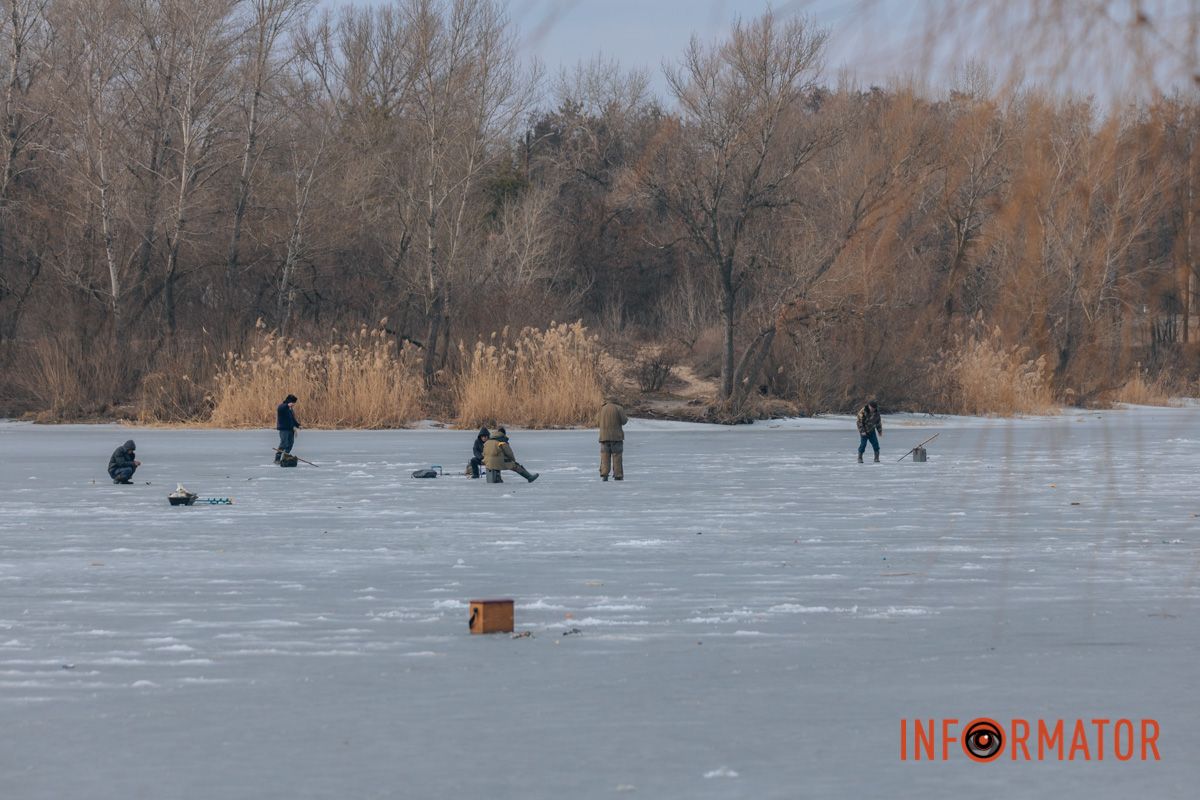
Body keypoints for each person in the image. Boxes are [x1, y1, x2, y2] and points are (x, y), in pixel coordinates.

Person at [596, 398, 628, 481]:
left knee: (605, 457)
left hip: (604, 437)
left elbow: (597, 420)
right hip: (616, 437)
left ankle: (604, 474)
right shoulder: (619, 408)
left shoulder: (602, 408)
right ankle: (618, 475)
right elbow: (624, 421)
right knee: (617, 456)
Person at [275, 394, 301, 464]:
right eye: (293, 403)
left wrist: (297, 425)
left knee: (290, 443)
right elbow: (280, 408)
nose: (294, 404)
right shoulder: (282, 407)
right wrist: (287, 405)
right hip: (284, 429)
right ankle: (277, 459)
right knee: (283, 443)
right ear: (290, 402)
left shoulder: (290, 409)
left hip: (291, 429)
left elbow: (292, 419)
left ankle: (285, 457)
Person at [856, 399, 882, 463]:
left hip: (872, 430)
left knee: (875, 444)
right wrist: (862, 431)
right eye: (872, 408)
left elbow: (878, 422)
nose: (873, 409)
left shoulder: (877, 412)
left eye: (874, 408)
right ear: (869, 406)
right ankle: (860, 457)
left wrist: (879, 431)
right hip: (864, 431)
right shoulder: (863, 411)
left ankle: (876, 457)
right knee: (863, 444)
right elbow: (859, 422)